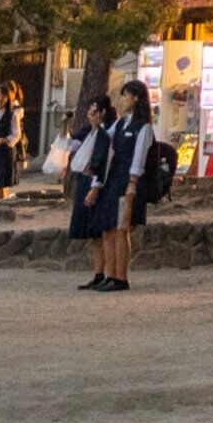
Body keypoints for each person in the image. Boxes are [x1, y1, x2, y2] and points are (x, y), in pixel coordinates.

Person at [94, 80, 161, 290]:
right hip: (114, 177)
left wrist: (133, 182)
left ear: (136, 97)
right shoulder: (122, 123)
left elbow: (139, 156)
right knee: (110, 228)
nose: (123, 100)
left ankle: (121, 277)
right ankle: (111, 273)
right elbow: (106, 138)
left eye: (126, 95)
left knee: (122, 227)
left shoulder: (144, 127)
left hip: (128, 180)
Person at [62, 94, 121, 286]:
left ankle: (108, 274)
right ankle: (98, 273)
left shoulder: (106, 134)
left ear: (102, 112)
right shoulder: (89, 132)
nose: (91, 114)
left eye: (94, 110)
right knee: (93, 233)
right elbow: (69, 146)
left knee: (101, 230)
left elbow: (102, 163)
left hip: (96, 183)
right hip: (85, 180)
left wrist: (95, 188)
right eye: (90, 110)